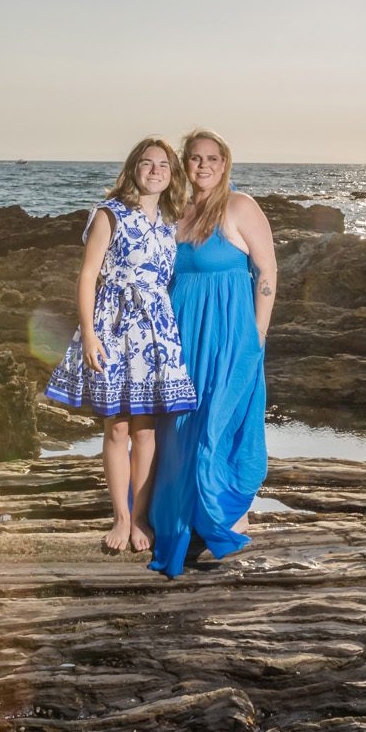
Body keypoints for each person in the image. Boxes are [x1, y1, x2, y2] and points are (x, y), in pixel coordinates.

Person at [43, 137, 197, 553]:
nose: (154, 171)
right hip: (113, 327)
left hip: (155, 332)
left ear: (172, 174)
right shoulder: (109, 214)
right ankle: (121, 517)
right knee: (118, 428)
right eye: (146, 164)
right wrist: (89, 335)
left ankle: (142, 517)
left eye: (163, 165)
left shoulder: (171, 219)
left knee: (146, 430)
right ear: (133, 169)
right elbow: (88, 276)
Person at [148, 128, 276, 578]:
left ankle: (223, 514)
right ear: (184, 164)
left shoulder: (240, 207)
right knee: (179, 428)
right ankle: (187, 515)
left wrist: (257, 334)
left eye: (212, 159)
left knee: (219, 421)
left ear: (225, 165)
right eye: (196, 159)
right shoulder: (177, 211)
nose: (203, 166)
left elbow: (267, 269)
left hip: (228, 335)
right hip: (180, 335)